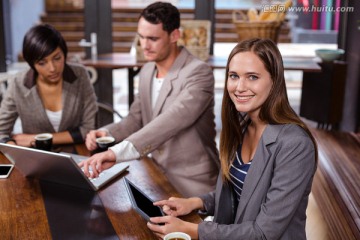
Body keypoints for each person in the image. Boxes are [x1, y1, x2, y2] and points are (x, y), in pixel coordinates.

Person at [146, 38, 318, 239]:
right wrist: (195, 203)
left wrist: (193, 230)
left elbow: (263, 233)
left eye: (252, 77)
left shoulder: (295, 144)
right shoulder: (242, 126)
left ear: (275, 81)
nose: (239, 87)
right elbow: (240, 194)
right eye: (234, 76)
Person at [79, 1, 219, 197]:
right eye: (141, 37)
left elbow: (172, 119)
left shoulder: (198, 72)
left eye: (153, 38)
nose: (144, 45)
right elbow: (135, 119)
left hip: (194, 184)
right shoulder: (146, 70)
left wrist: (117, 153)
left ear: (174, 35)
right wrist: (106, 132)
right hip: (156, 176)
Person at [0, 24, 98, 146]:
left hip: (76, 154)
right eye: (42, 63)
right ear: (32, 64)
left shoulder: (79, 75)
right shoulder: (18, 83)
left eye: (57, 58)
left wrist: (36, 139)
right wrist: (13, 147)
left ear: (64, 54)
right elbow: (1, 131)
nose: (52, 68)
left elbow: (89, 129)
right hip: (35, 158)